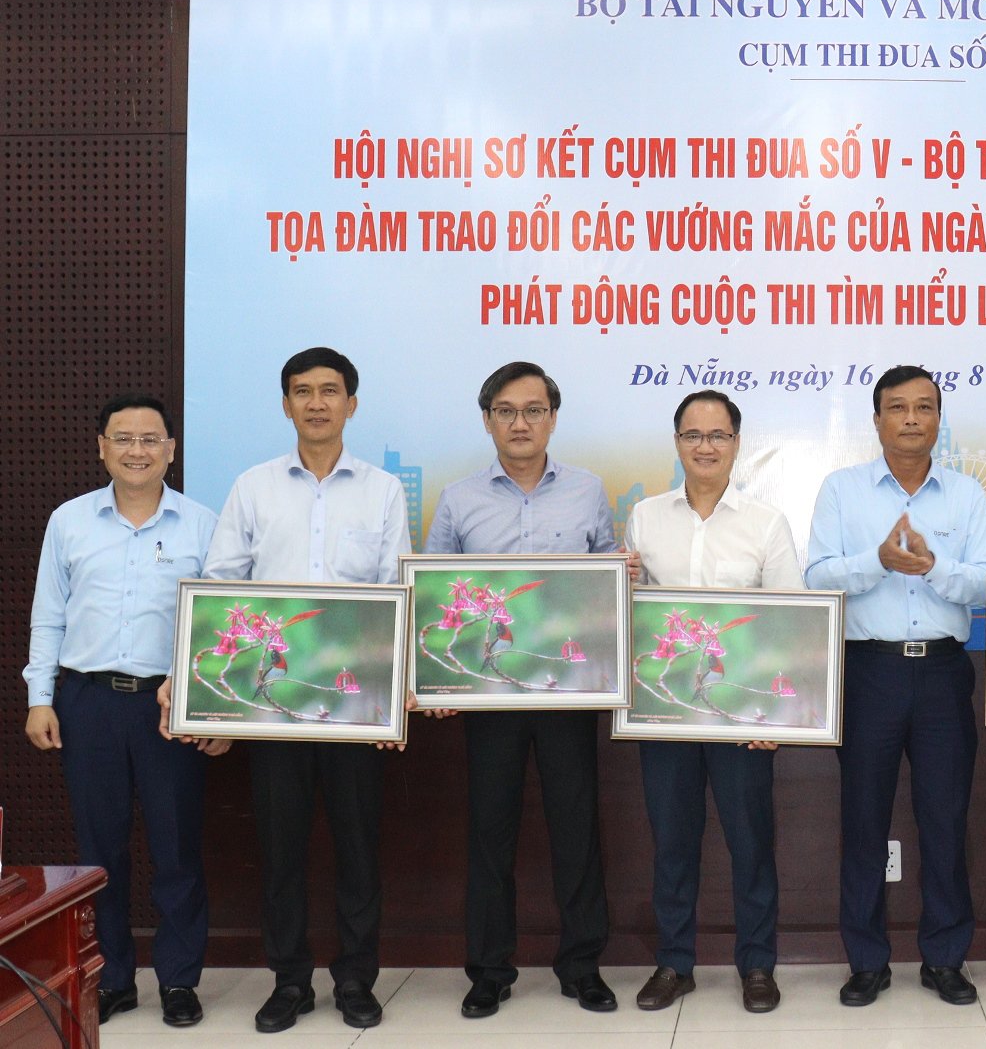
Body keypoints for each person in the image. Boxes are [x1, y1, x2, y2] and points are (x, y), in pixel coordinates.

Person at [203, 347, 411, 1033]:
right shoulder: (252, 487)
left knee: (358, 848)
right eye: (302, 391)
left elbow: (395, 594)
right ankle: (289, 980)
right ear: (286, 404)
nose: (316, 402)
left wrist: (393, 695)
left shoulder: (382, 490)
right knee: (281, 848)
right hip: (272, 704)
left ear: (352, 403)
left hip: (355, 703)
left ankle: (356, 978)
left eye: (330, 391)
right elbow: (222, 587)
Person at [422, 362, 617, 1018]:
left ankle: (582, 963)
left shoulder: (589, 491)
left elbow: (606, 592)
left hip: (567, 693)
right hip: (489, 695)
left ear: (553, 418)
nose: (520, 422)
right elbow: (436, 597)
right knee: (490, 830)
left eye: (534, 409)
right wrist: (436, 679)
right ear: (487, 420)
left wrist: (621, 575)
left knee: (576, 827)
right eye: (506, 410)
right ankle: (489, 969)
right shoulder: (458, 498)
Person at [804, 366, 986, 1007]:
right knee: (863, 819)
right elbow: (817, 579)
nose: (913, 418)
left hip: (946, 673)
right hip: (868, 672)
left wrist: (934, 568)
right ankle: (866, 960)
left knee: (945, 819)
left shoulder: (967, 495)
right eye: (898, 407)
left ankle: (945, 958)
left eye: (925, 407)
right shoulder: (843, 489)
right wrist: (878, 563)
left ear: (940, 418)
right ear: (877, 419)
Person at [24, 395, 222, 1029]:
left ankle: (179, 981)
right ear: (101, 447)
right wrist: (40, 697)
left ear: (171, 449)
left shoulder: (202, 525)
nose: (137, 450)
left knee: (177, 848)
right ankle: (110, 976)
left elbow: (219, 628)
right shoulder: (70, 522)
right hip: (87, 702)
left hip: (169, 705)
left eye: (151, 439)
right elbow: (48, 616)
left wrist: (211, 712)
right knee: (99, 849)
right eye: (124, 439)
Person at [624, 389, 800, 1015]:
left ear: (736, 444)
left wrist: (778, 718)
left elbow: (788, 623)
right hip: (666, 711)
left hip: (738, 714)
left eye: (718, 435)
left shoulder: (765, 524)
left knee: (750, 841)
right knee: (672, 841)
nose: (705, 446)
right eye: (693, 435)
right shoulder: (645, 517)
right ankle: (675, 963)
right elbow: (634, 616)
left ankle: (757, 965)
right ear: (676, 443)